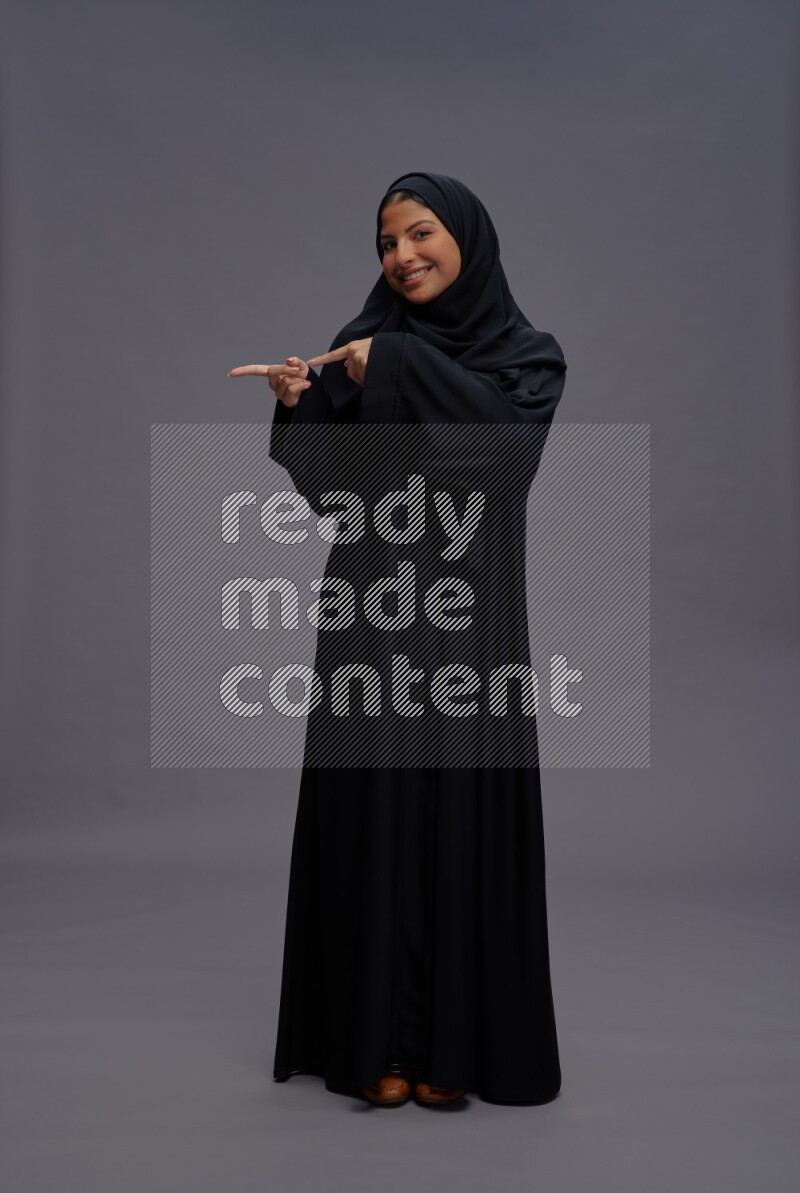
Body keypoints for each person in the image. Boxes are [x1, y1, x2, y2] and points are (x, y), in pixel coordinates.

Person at [228, 171, 567, 1108]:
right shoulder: (357, 350)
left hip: (470, 620)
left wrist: (396, 370)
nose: (402, 256)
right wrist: (302, 404)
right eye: (386, 241)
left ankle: (449, 1047)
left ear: (468, 240)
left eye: (421, 234)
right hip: (373, 610)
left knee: (457, 807)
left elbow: (501, 458)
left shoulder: (527, 359)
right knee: (372, 807)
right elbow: (335, 497)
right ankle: (375, 1041)